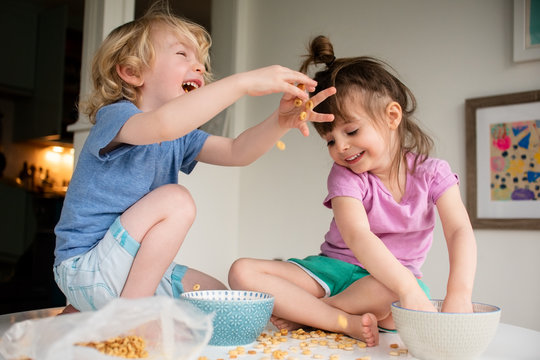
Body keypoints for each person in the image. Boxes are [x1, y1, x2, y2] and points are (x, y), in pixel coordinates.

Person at [53, 3, 336, 313]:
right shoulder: (116, 116)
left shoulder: (179, 135)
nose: (199, 66)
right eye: (182, 55)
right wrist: (241, 83)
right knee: (176, 199)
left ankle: (86, 315)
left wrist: (279, 123)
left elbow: (237, 152)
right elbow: (162, 125)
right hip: (87, 270)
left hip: (122, 274)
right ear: (132, 72)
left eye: (200, 60)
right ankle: (129, 317)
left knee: (215, 295)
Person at [228, 35, 477, 347]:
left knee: (393, 287)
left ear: (392, 117)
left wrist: (458, 293)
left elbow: (458, 232)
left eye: (351, 131)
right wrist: (407, 289)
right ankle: (337, 319)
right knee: (242, 272)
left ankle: (312, 315)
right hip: (331, 271)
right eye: (330, 140)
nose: (341, 147)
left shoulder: (433, 173)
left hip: (387, 285)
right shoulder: (346, 175)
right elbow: (358, 237)